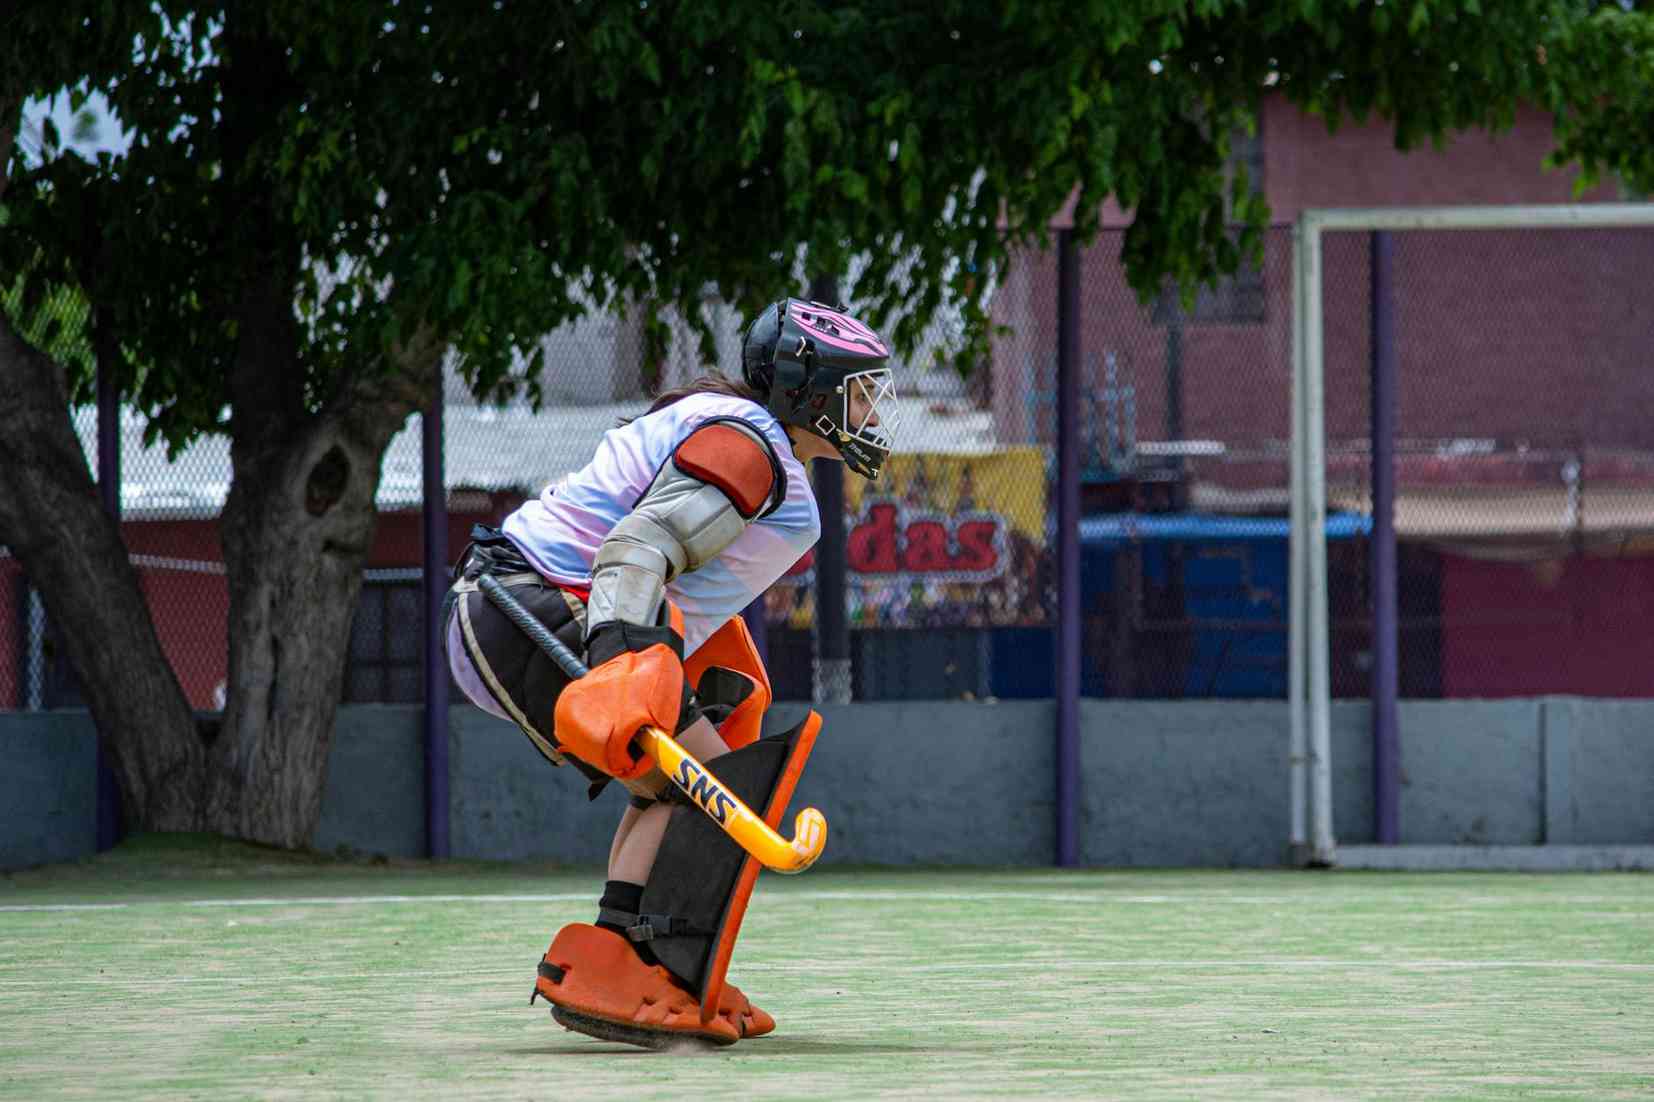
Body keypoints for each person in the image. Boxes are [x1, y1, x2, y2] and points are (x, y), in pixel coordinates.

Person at [443, 297, 898, 1048]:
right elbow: (641, 547)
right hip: (531, 607)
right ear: (808, 389)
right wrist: (624, 662)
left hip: (514, 605)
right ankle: (637, 965)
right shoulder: (751, 447)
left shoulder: (741, 432)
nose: (872, 413)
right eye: (859, 393)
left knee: (695, 785)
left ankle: (642, 963)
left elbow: (683, 581)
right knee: (713, 793)